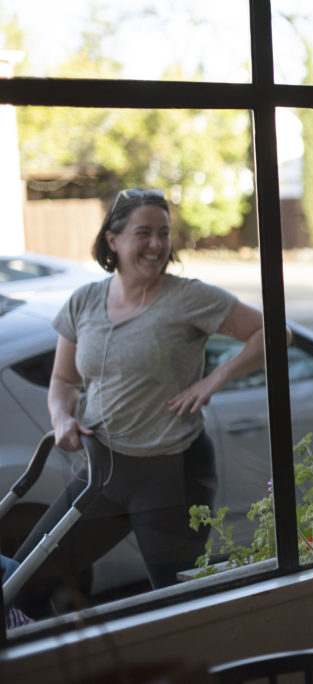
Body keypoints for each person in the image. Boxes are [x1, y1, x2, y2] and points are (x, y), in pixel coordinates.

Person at [13, 188, 276, 613]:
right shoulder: (83, 301)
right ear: (113, 239)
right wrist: (61, 417)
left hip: (171, 471)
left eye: (164, 233)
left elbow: (273, 332)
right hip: (103, 469)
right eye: (143, 233)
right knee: (26, 577)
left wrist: (214, 379)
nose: (156, 244)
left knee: (178, 601)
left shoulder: (189, 297)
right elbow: (64, 378)